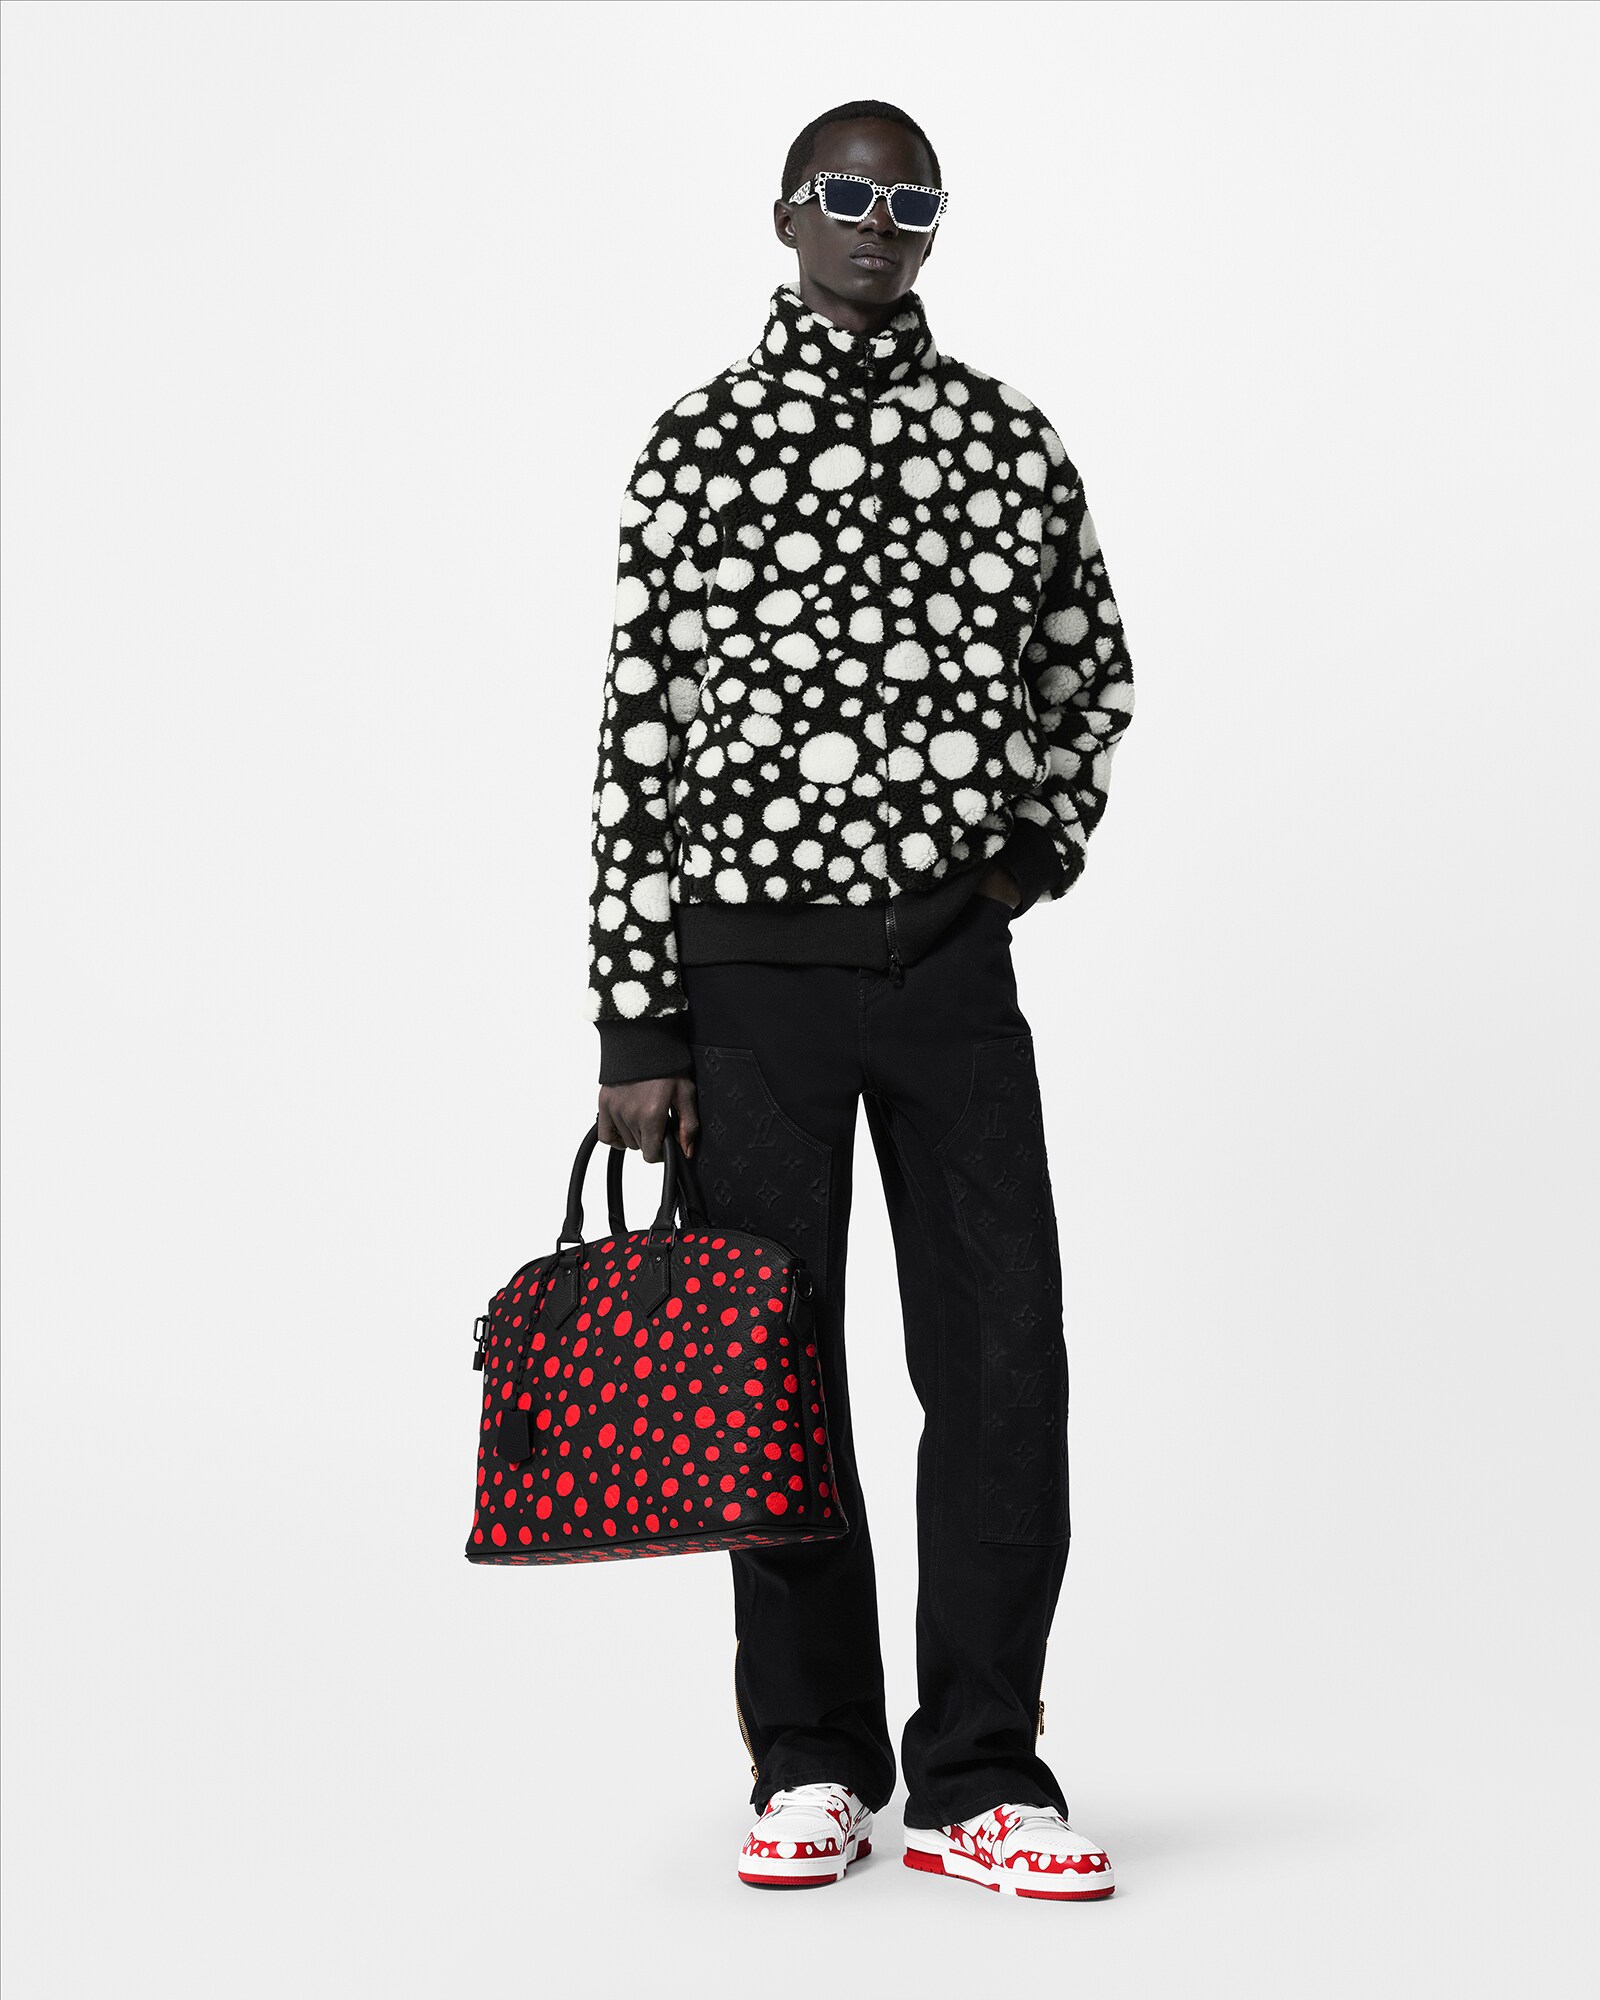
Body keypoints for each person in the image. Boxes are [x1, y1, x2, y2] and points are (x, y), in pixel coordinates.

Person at [586, 98, 1133, 1900]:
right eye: (844, 194)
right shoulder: (699, 444)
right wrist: (638, 1027)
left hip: (950, 976)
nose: (876, 223)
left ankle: (982, 1772)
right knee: (772, 1372)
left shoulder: (1008, 441)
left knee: (1003, 1361)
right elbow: (640, 737)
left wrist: (1019, 864)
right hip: (749, 985)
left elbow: (1090, 675)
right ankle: (811, 1758)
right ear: (784, 215)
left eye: (911, 202)